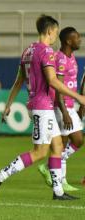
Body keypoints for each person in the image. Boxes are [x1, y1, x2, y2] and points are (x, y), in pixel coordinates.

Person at [0, 15, 85, 200]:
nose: (55, 36)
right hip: (42, 105)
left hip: (40, 105)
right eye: (56, 32)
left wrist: (8, 105)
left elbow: (18, 81)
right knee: (40, 152)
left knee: (57, 146)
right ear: (50, 30)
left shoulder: (28, 50)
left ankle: (58, 192)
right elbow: (53, 81)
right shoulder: (47, 52)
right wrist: (78, 97)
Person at [37, 27, 83, 191]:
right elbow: (57, 86)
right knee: (64, 144)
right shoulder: (60, 59)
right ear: (68, 41)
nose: (79, 40)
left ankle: (51, 169)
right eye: (77, 38)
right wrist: (64, 112)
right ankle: (60, 180)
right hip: (61, 106)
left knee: (77, 141)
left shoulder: (72, 57)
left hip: (70, 105)